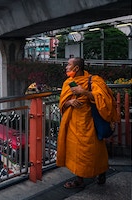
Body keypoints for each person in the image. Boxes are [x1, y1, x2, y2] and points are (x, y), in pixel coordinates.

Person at [56, 57, 119, 189]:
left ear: (76, 68)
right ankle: (79, 179)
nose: (66, 67)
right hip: (73, 123)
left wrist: (84, 92)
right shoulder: (68, 82)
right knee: (76, 153)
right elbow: (62, 103)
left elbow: (104, 99)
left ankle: (101, 172)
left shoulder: (94, 80)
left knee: (95, 150)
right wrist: (70, 102)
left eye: (68, 65)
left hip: (89, 123)